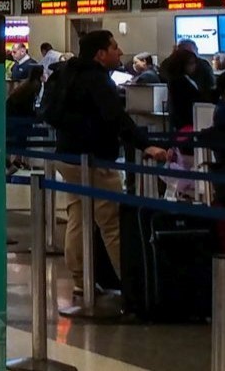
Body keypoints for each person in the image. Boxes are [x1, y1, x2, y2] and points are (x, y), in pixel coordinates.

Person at [43, 30, 169, 306]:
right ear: (100, 53)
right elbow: (116, 118)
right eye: (114, 47)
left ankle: (81, 281)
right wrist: (146, 145)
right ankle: (133, 286)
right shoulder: (97, 79)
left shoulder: (66, 73)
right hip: (96, 159)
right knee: (111, 222)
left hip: (68, 156)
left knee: (78, 215)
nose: (119, 51)